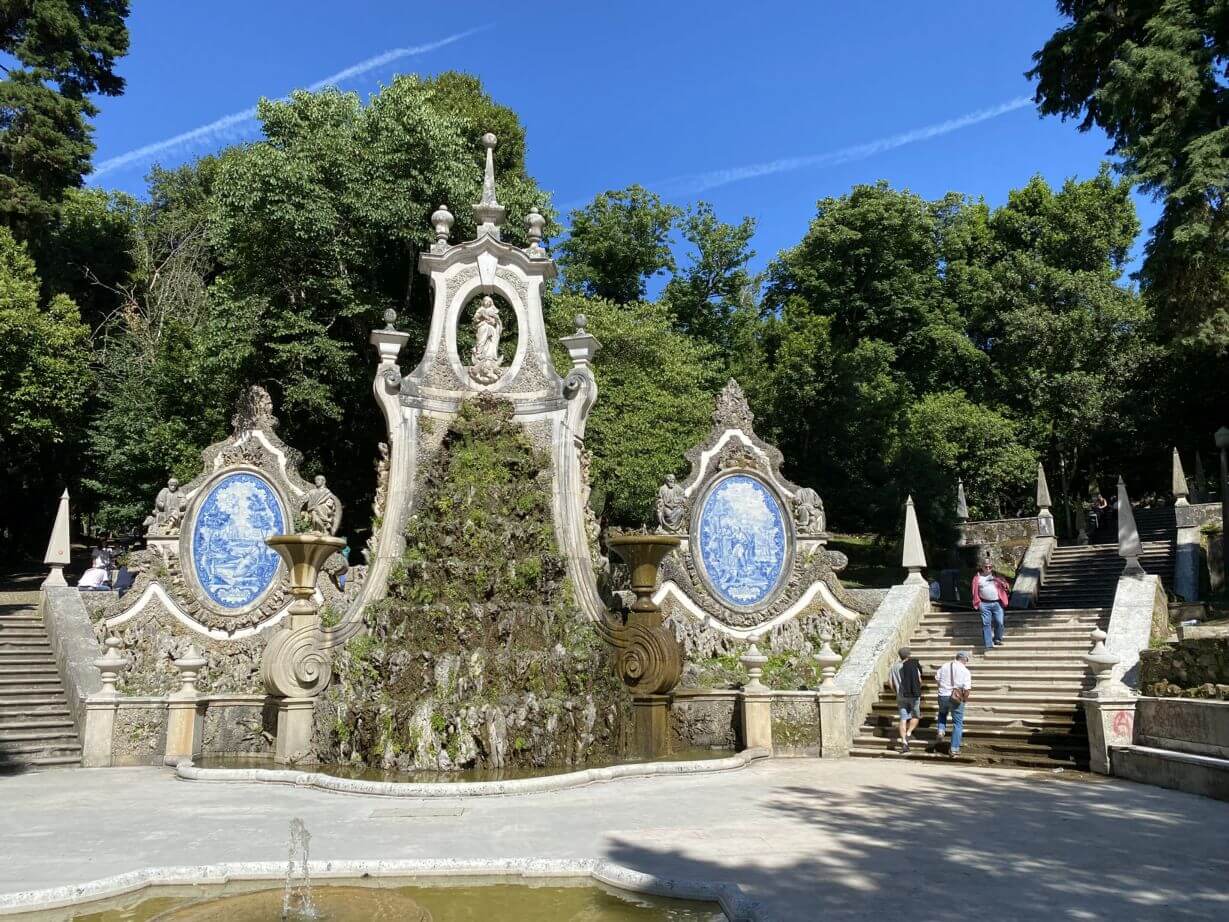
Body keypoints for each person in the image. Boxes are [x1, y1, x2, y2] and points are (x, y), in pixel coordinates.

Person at [935, 651, 972, 757]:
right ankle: (954, 749)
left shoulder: (945, 665)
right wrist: (964, 700)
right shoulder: (965, 671)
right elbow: (967, 689)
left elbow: (937, 678)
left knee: (942, 713)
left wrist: (943, 687)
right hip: (956, 698)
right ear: (964, 660)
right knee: (957, 723)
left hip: (942, 695)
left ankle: (941, 730)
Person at [889, 646, 923, 753]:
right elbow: (919, 680)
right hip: (913, 695)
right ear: (909, 655)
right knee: (915, 715)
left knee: (903, 718)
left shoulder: (894, 667)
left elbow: (890, 683)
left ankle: (904, 741)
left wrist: (896, 692)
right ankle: (909, 733)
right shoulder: (912, 666)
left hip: (901, 696)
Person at [970, 559, 1009, 649]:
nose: (988, 568)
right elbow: (974, 591)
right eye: (986, 567)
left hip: (997, 603)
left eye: (990, 567)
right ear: (982, 567)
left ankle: (997, 639)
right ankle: (988, 644)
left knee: (999, 622)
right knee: (986, 623)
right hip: (984, 603)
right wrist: (978, 603)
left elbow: (1006, 586)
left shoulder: (997, 576)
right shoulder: (977, 578)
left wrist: (1001, 583)